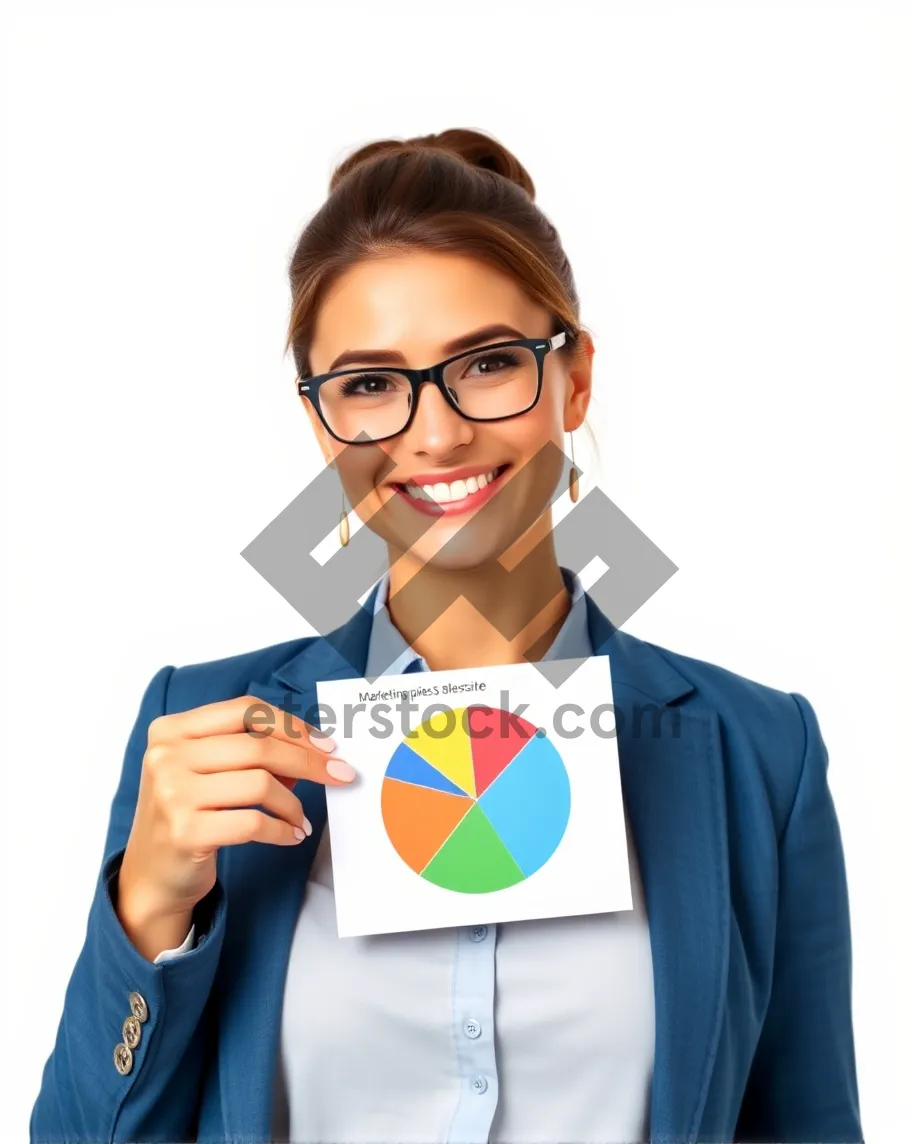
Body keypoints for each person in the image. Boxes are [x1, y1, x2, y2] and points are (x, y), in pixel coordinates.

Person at [29, 128, 862, 1144]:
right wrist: (148, 911)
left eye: (488, 363)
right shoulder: (203, 732)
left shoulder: (757, 753)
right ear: (322, 421)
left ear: (575, 377)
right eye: (371, 384)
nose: (436, 435)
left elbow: (811, 1120)